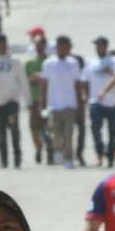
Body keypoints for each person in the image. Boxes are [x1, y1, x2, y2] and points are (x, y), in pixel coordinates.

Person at [0, 34, 30, 169]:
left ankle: (17, 158)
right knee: (0, 133)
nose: (1, 46)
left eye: (3, 43)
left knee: (14, 130)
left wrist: (28, 101)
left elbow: (23, 81)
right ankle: (4, 160)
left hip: (11, 102)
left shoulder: (14, 61)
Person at [39, 35, 82, 169]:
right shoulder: (48, 63)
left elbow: (77, 84)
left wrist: (80, 104)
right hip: (54, 104)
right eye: (61, 46)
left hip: (70, 104)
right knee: (56, 133)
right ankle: (59, 150)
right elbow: (44, 84)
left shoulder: (73, 63)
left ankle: (69, 158)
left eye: (67, 46)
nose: (64, 48)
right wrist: (43, 104)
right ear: (57, 47)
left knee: (69, 134)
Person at [82, 37, 115, 168]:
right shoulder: (91, 62)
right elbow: (84, 80)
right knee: (95, 130)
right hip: (95, 101)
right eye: (97, 45)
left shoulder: (114, 60)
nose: (98, 47)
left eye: (101, 45)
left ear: (106, 46)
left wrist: (109, 73)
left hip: (112, 101)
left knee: (112, 131)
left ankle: (111, 157)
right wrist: (85, 96)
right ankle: (99, 154)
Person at [24, 32, 52, 165]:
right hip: (34, 100)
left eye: (41, 44)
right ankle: (39, 147)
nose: (39, 47)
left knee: (49, 127)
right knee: (34, 127)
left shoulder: (51, 62)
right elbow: (24, 82)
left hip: (49, 100)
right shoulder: (29, 63)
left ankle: (50, 148)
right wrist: (32, 78)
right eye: (36, 44)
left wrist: (44, 78)